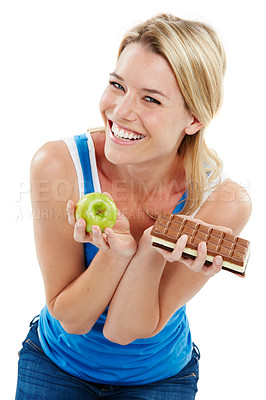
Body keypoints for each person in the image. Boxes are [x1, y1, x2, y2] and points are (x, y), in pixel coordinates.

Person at [15, 13, 251, 400]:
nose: (121, 111)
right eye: (117, 85)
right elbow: (71, 318)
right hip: (55, 365)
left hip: (161, 378)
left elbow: (124, 329)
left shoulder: (222, 202)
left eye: (151, 99)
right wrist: (114, 255)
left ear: (194, 118)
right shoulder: (60, 166)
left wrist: (151, 249)